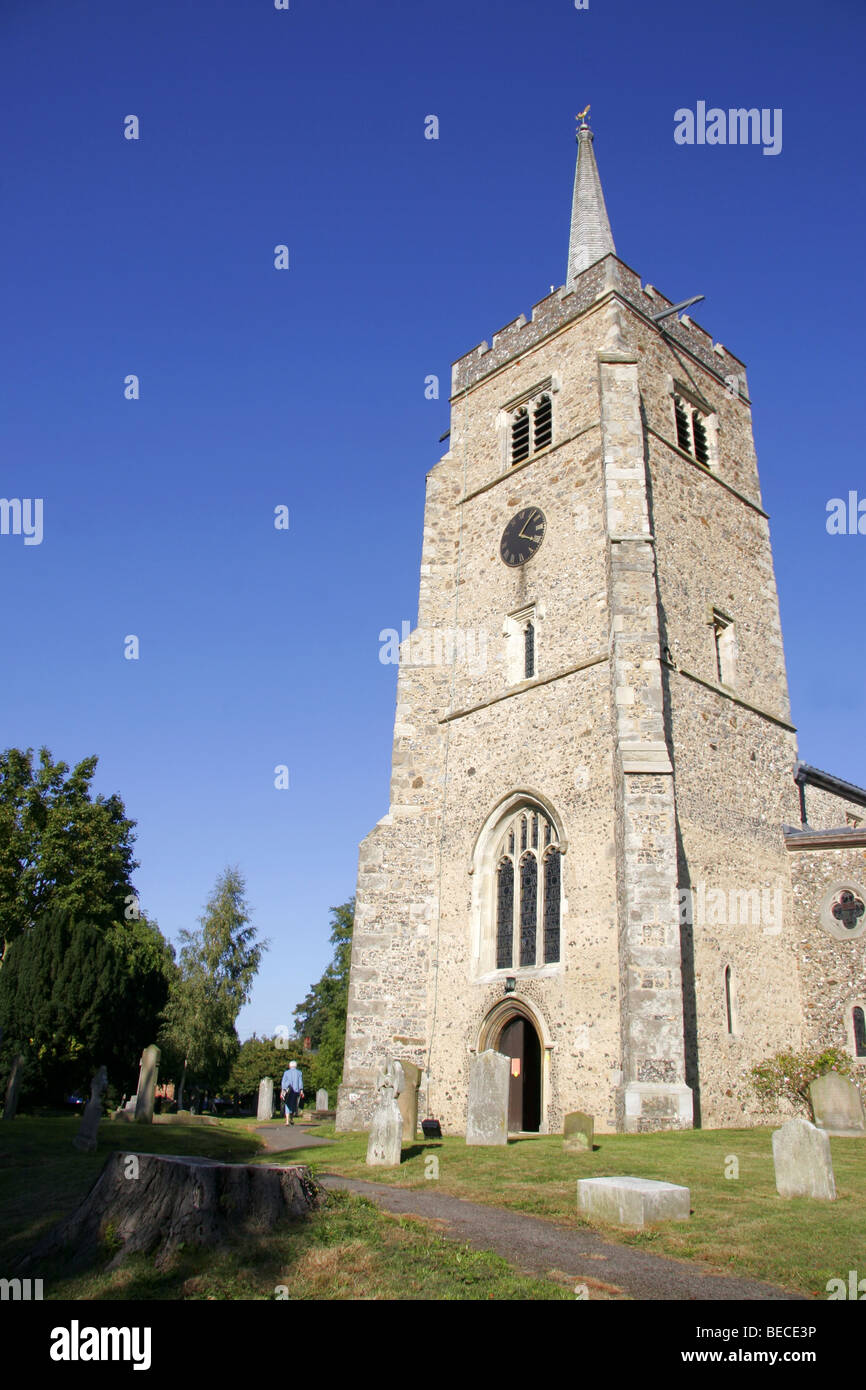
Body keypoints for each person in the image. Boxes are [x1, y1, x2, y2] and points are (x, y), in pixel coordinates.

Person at [280, 1060, 304, 1125]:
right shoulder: (299, 1073)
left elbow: (283, 1082)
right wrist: (301, 1091)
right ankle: (291, 1118)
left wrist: (282, 1091)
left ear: (289, 1066)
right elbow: (300, 1082)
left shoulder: (286, 1072)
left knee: (287, 1104)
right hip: (295, 1091)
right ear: (296, 1066)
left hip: (287, 1091)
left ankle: (287, 1121)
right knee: (293, 1104)